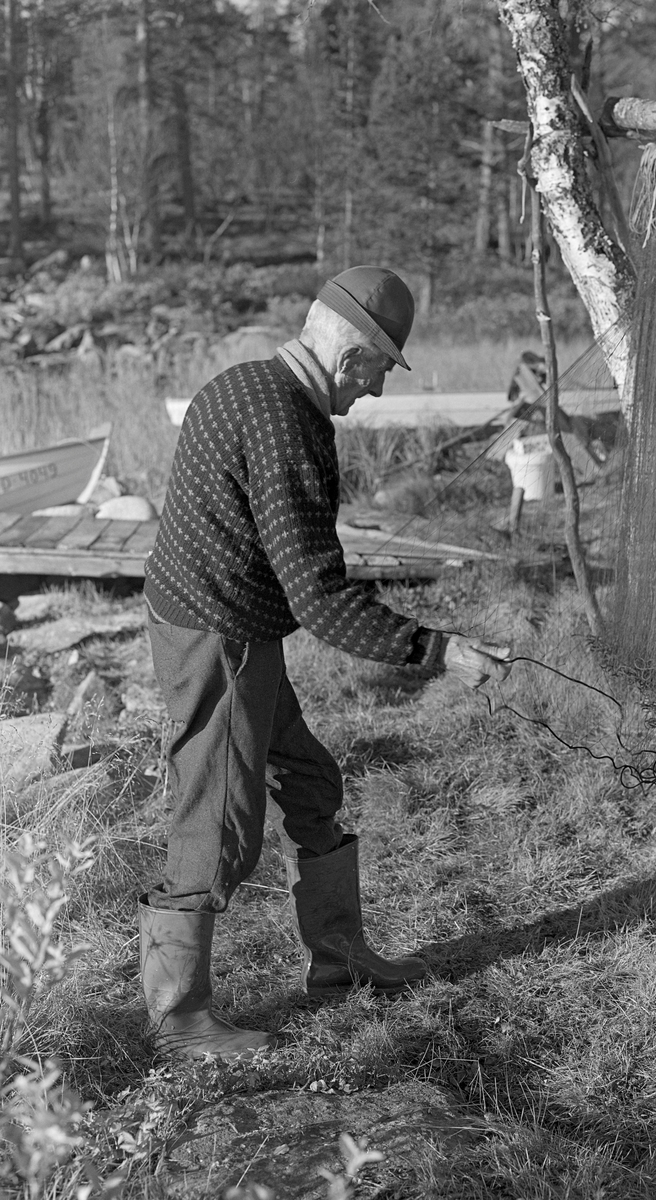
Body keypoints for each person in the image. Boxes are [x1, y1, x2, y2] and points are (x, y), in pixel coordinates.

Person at [141, 265, 511, 1059]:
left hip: (213, 616)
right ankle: (179, 1021)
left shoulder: (243, 383)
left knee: (309, 782)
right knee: (218, 821)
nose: (375, 391)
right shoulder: (289, 427)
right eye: (381, 371)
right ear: (351, 357)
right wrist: (436, 650)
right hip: (219, 634)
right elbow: (321, 599)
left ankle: (340, 964)